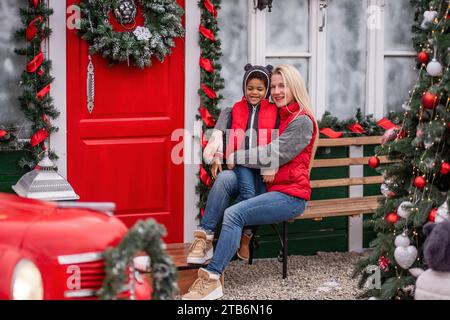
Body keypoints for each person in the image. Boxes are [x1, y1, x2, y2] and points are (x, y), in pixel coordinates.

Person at [183, 64, 319, 300]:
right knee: (225, 178)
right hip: (269, 187)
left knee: (234, 214)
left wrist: (235, 156)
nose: (276, 91)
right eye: (274, 86)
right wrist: (219, 136)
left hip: (290, 196)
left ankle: (212, 278)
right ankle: (203, 238)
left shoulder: (302, 121)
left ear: (294, 87)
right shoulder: (283, 114)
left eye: (282, 86)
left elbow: (272, 152)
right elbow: (235, 111)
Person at [189, 64, 278, 265]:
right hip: (241, 164)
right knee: (241, 191)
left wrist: (271, 164)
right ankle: (206, 235)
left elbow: (277, 140)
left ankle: (245, 235)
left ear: (266, 91)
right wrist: (219, 155)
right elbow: (224, 134)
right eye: (250, 88)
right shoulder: (235, 110)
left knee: (258, 197)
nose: (254, 92)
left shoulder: (275, 111)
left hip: (264, 166)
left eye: (260, 89)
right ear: (244, 87)